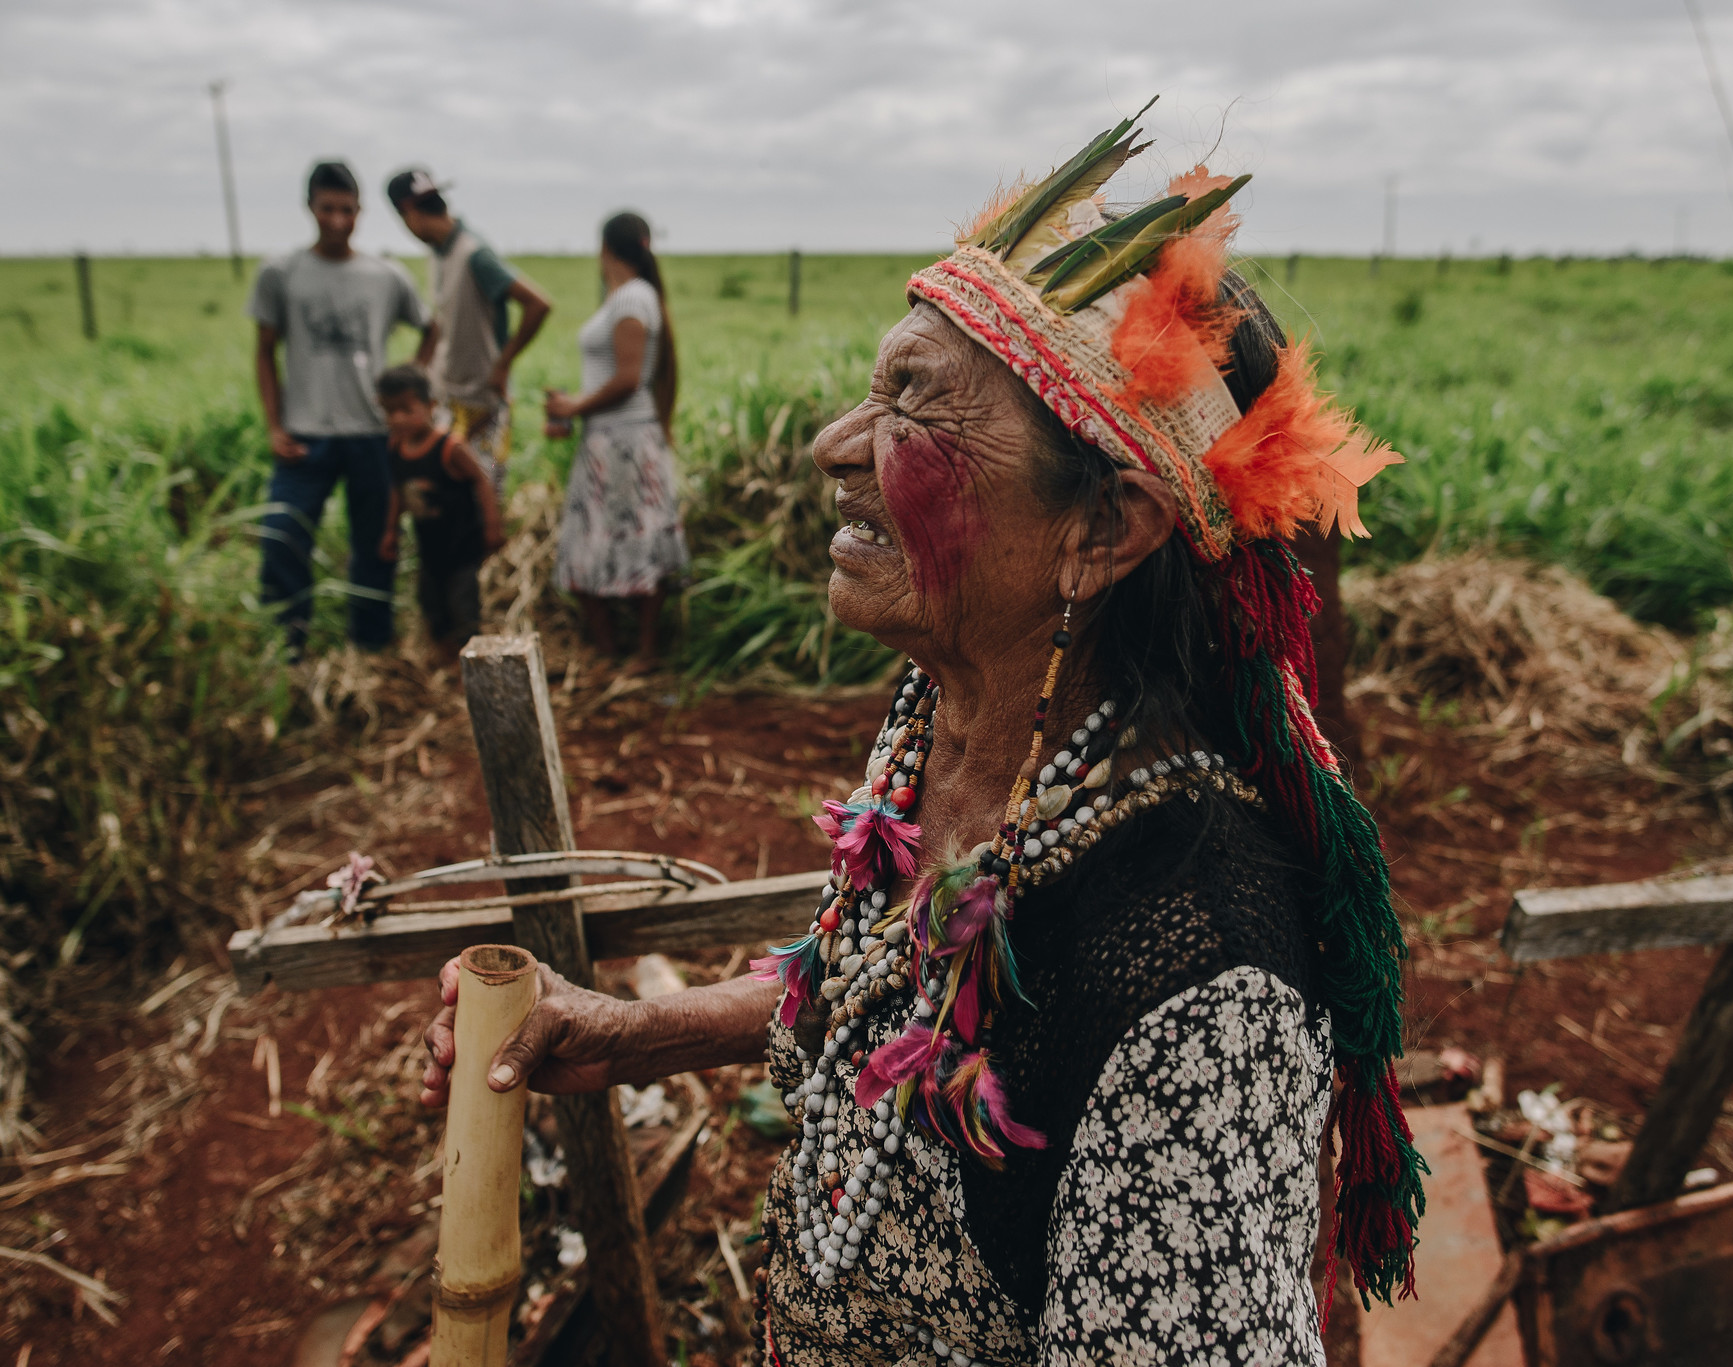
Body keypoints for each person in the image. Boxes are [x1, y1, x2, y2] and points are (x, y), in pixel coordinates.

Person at [424, 104, 1418, 1366]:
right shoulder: (948, 715)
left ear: (1100, 531)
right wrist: (624, 1031)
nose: (834, 446)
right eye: (873, 386)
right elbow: (883, 984)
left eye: (912, 405)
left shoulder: (1199, 980)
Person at [248, 159, 429, 655]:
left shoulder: (385, 275)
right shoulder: (281, 272)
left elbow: (430, 327)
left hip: (372, 433)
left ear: (360, 211)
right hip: (305, 433)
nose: (337, 220)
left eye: (347, 210)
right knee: (281, 535)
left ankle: (371, 648)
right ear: (310, 207)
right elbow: (264, 351)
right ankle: (288, 646)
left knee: (376, 544)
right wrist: (274, 425)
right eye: (327, 209)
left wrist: (409, 391)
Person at [543, 211, 688, 667]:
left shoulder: (630, 299)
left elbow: (628, 379)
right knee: (614, 535)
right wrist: (577, 408)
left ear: (604, 247)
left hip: (624, 441)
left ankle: (639, 651)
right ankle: (615, 650)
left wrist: (574, 407)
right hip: (613, 437)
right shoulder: (634, 297)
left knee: (626, 536)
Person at [385, 167, 553, 497]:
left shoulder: (473, 254)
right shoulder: (438, 253)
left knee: (482, 495)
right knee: (443, 495)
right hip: (447, 397)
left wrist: (503, 364)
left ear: (410, 214)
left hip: (483, 402)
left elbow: (538, 304)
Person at [374, 363, 505, 660]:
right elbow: (397, 491)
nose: (397, 419)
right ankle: (446, 659)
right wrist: (390, 531)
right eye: (389, 411)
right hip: (430, 548)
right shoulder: (395, 448)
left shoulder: (450, 448)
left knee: (463, 603)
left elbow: (482, 481)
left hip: (462, 546)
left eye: (406, 410)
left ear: (431, 406)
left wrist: (492, 525)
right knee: (431, 603)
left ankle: (470, 661)